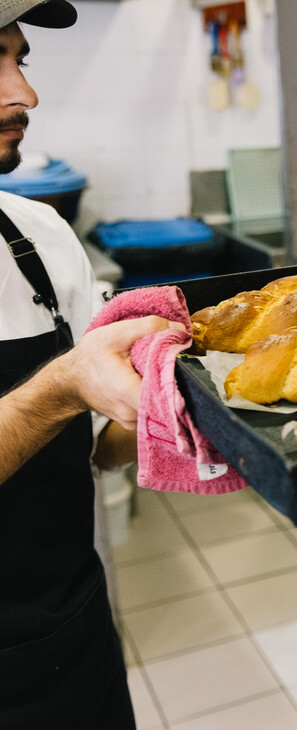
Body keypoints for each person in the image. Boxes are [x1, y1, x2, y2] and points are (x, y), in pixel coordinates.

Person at [0, 2, 180, 727]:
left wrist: (178, 401)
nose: (24, 95)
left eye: (19, 60)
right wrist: (63, 387)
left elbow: (97, 453)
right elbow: (62, 397)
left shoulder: (37, 236)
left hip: (71, 639)